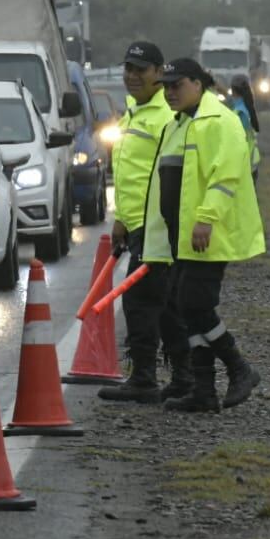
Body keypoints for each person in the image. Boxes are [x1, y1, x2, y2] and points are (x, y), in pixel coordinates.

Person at [141, 58, 266, 413]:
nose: (169, 93)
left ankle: (239, 367)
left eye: (176, 85)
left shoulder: (220, 121)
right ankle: (204, 389)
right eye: (165, 87)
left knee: (195, 304)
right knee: (185, 305)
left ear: (198, 84)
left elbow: (224, 177)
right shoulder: (180, 123)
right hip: (182, 234)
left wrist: (206, 219)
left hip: (207, 233)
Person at [100, 41, 186, 404]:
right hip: (136, 225)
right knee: (158, 304)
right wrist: (121, 219)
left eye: (141, 70)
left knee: (147, 303)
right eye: (128, 69)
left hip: (157, 229)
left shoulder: (165, 116)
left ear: (159, 71)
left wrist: (159, 227)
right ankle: (170, 377)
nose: (132, 76)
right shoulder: (134, 112)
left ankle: (154, 377)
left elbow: (170, 180)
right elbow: (130, 174)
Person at [227, 75, 263, 182]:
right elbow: (231, 101)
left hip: (244, 164)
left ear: (233, 91)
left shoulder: (240, 112)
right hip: (250, 162)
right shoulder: (246, 106)